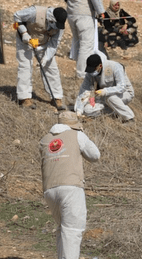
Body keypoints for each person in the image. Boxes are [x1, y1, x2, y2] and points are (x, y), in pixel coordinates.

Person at [40, 111, 100, 259]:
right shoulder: (77, 135)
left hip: (49, 190)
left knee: (63, 229)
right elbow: (95, 155)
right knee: (73, 231)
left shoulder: (45, 139)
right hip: (70, 187)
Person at [57, 0, 105, 78]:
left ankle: (79, 71)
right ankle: (82, 75)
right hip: (85, 14)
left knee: (78, 43)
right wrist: (101, 11)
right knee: (86, 45)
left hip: (72, 13)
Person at [14, 5, 67, 110]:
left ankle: (56, 98)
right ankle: (24, 99)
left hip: (43, 43)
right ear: (51, 19)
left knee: (52, 69)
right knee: (25, 67)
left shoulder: (59, 26)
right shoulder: (35, 12)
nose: (57, 28)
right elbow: (17, 16)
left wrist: (46, 58)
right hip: (26, 41)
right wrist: (24, 33)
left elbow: (54, 44)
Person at [74, 52, 135, 123]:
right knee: (87, 109)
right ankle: (114, 112)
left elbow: (122, 87)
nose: (92, 73)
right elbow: (84, 92)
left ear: (100, 66)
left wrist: (105, 91)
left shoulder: (114, 66)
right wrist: (79, 111)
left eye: (93, 69)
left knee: (111, 98)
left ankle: (129, 118)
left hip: (124, 93)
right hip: (105, 97)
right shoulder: (90, 74)